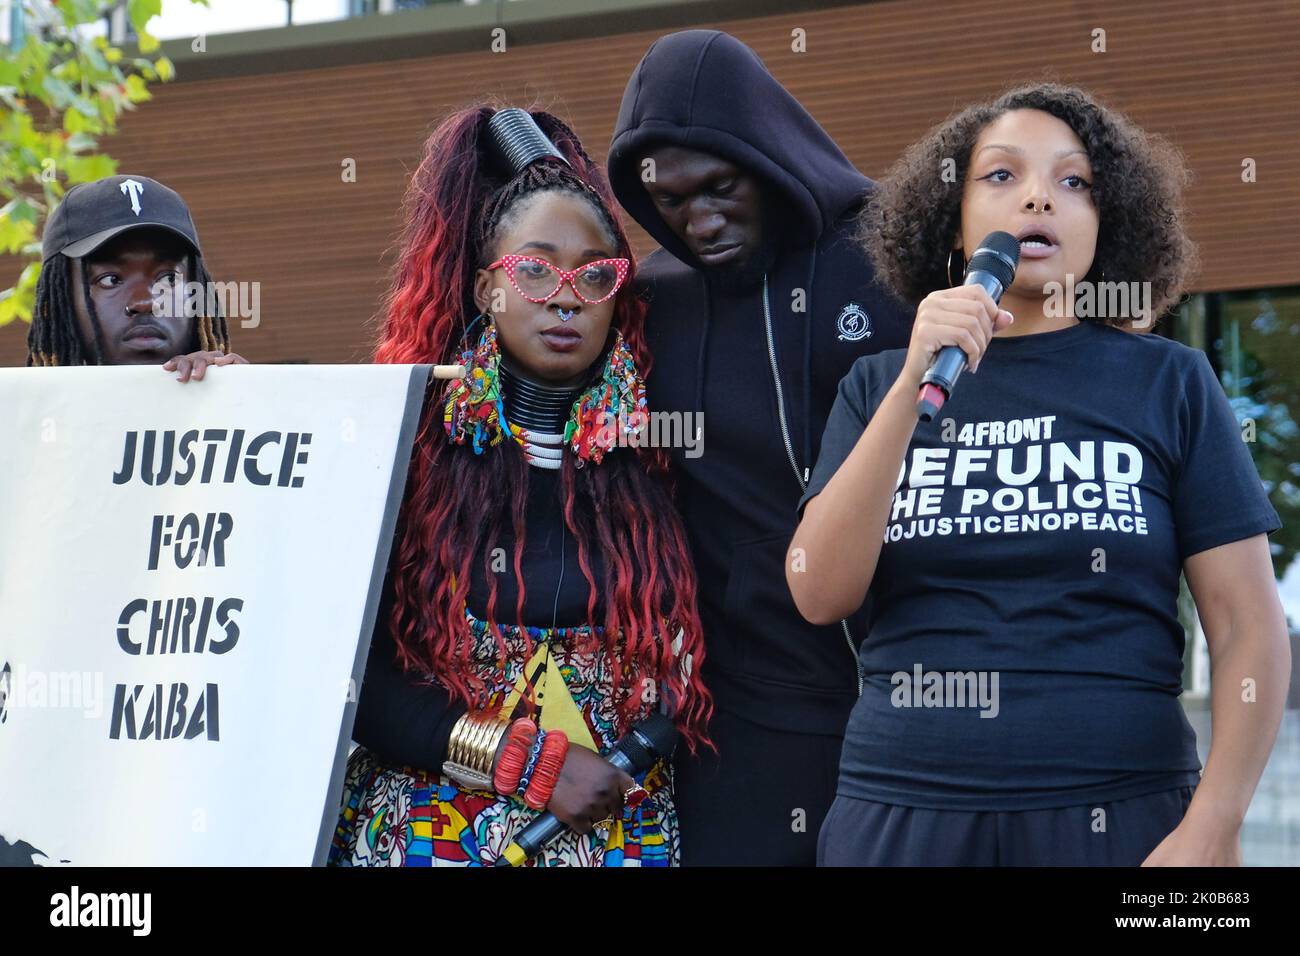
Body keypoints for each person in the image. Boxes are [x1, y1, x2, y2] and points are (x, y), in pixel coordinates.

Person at [788, 83, 1289, 866]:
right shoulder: (876, 383)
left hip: (1132, 816)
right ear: (951, 224)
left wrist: (1214, 825)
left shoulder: (1171, 382)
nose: (1038, 199)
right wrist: (911, 380)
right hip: (904, 815)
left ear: (1107, 223)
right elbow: (819, 591)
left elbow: (1247, 627)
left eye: (1074, 182)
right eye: (1000, 176)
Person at [327, 106, 711, 868]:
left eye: (593, 274)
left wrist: (643, 738)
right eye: (533, 269)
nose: (565, 296)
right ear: (483, 289)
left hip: (621, 834)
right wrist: (525, 764)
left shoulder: (660, 459)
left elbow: (707, 649)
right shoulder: (395, 454)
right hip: (431, 836)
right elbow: (342, 673)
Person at [606, 29, 913, 865]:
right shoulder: (648, 303)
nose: (699, 220)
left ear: (769, 158)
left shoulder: (893, 255)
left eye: (719, 186)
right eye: (668, 201)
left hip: (912, 693)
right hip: (747, 716)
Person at [29, 173, 245, 379]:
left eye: (169, 278)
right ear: (62, 302)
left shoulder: (237, 403)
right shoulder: (20, 415)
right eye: (110, 280)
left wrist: (235, 405)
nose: (145, 302)